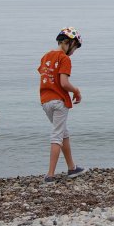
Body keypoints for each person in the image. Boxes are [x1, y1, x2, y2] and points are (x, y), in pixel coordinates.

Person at [38, 27, 85, 183]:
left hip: (45, 101)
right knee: (57, 135)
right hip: (59, 101)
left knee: (63, 132)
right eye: (75, 47)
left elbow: (46, 77)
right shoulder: (64, 59)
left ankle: (72, 168)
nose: (74, 51)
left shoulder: (46, 57)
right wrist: (76, 91)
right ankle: (50, 175)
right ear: (68, 42)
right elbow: (64, 83)